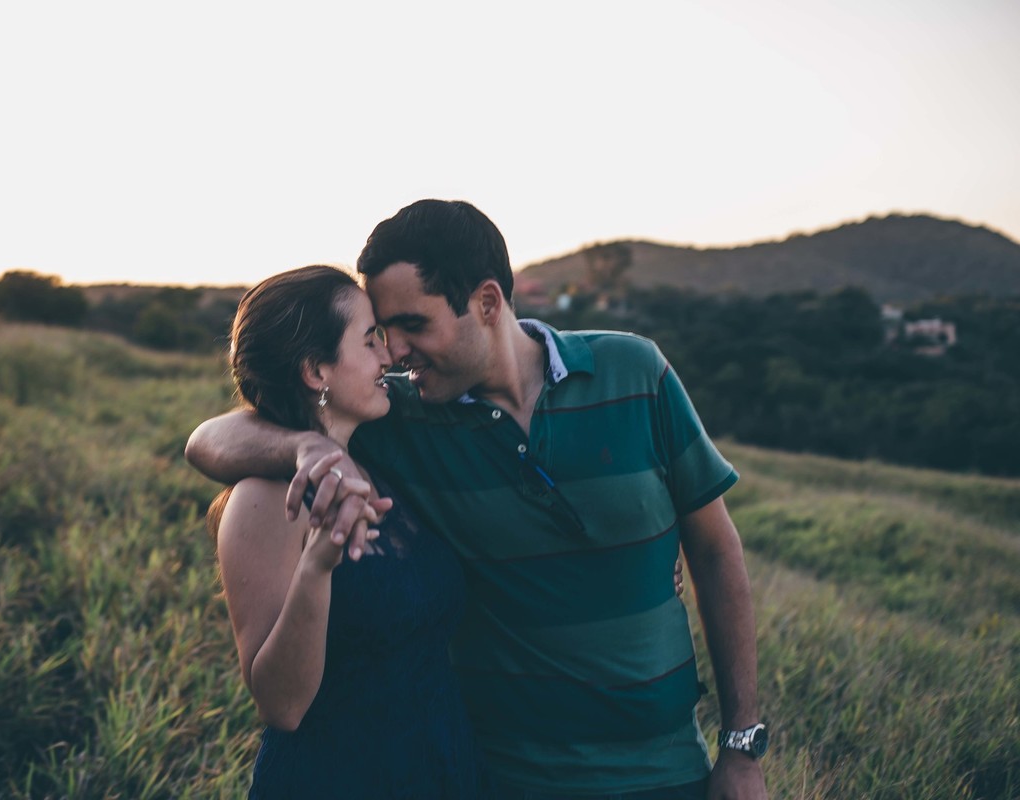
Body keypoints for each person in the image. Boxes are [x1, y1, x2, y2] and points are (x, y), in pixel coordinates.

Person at [187, 201, 769, 800]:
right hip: (504, 776)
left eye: (414, 324)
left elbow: (716, 550)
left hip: (667, 768)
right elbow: (210, 440)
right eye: (380, 333)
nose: (395, 352)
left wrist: (742, 746)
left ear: (487, 303)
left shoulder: (635, 372)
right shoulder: (401, 418)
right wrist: (304, 448)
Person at [207, 264, 491, 798]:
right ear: (317, 371)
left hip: (442, 768)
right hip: (339, 778)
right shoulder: (265, 501)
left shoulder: (379, 464)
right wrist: (318, 566)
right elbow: (281, 706)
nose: (388, 356)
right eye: (369, 340)